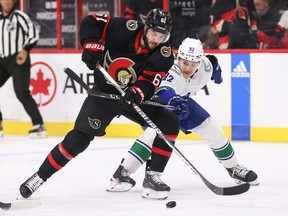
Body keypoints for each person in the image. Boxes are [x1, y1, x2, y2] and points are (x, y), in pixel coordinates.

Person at [18, 8, 179, 199]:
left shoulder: (165, 54)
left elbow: (149, 81)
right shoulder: (124, 28)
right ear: (146, 28)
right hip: (104, 93)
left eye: (162, 36)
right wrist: (91, 45)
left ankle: (153, 177)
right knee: (79, 139)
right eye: (154, 33)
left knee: (169, 123)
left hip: (132, 98)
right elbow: (91, 22)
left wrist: (137, 93)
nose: (156, 39)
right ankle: (39, 176)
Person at [107, 38, 259, 200]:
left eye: (193, 64)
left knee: (212, 128)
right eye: (185, 63)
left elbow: (210, 60)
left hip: (182, 101)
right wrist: (173, 100)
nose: (188, 68)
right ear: (178, 58)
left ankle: (233, 168)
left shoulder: (204, 66)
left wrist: (215, 65)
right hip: (158, 102)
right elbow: (165, 90)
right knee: (153, 134)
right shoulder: (171, 70)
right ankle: (121, 175)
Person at [0, 0, 46, 138]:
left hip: (19, 59)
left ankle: (39, 125)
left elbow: (33, 34)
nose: (7, 2)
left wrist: (25, 50)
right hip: (2, 60)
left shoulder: (20, 16)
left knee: (22, 93)